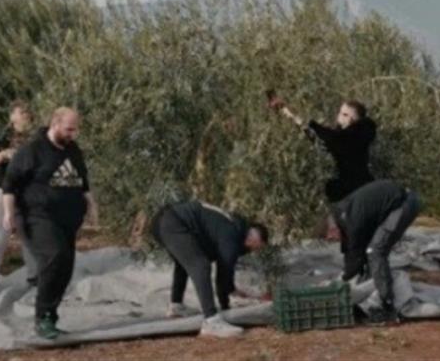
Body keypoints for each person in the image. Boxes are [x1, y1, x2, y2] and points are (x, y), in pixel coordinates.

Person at [1, 107, 98, 340]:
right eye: (69, 129)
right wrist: (8, 213)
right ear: (55, 124)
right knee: (54, 257)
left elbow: (83, 182)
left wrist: (92, 206)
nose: (73, 134)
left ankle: (50, 318)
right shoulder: (32, 150)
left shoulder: (73, 149)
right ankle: (42, 318)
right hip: (37, 216)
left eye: (76, 130)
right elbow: (10, 184)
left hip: (67, 219)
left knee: (65, 267)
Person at [151, 201, 269, 338]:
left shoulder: (231, 226)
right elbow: (223, 273)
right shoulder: (232, 235)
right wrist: (226, 306)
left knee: (187, 260)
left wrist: (229, 293)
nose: (254, 250)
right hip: (173, 221)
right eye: (257, 247)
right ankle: (211, 321)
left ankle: (176, 306)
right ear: (253, 239)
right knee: (201, 265)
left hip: (164, 220)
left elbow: (224, 272)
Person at [327, 179, 422, 325]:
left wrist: (342, 280)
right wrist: (347, 276)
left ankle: (388, 307)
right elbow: (350, 251)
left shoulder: (351, 219)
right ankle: (373, 298)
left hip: (403, 204)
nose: (329, 239)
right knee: (371, 254)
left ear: (333, 228)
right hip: (395, 204)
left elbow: (355, 258)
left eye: (328, 235)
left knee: (375, 251)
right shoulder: (343, 216)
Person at [268, 94, 377, 203]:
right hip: (353, 189)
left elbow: (332, 139)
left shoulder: (353, 138)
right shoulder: (346, 136)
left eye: (345, 114)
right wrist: (286, 111)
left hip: (358, 190)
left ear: (355, 120)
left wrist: (311, 125)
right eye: (341, 113)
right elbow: (317, 136)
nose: (340, 117)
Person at [0, 101, 36, 292]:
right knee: (1, 233)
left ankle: (33, 276)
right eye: (21, 112)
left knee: (28, 232)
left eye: (27, 112)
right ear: (12, 116)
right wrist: (5, 154)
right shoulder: (1, 137)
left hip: (28, 191)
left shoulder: (35, 137)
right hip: (5, 190)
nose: (25, 115)